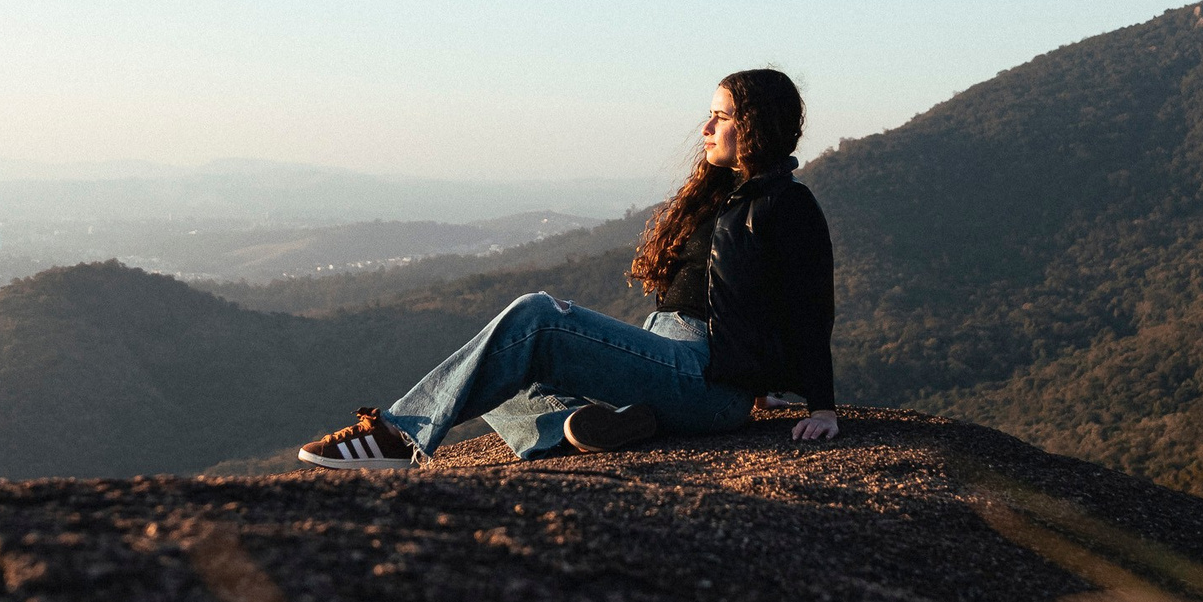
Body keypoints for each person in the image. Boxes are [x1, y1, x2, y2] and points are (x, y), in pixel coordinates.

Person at [296, 68, 838, 468]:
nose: (705, 128)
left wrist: (821, 406)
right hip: (671, 356)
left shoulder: (788, 205)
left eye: (719, 116)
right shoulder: (719, 194)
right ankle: (574, 429)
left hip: (706, 378)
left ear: (755, 125)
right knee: (493, 372)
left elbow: (810, 310)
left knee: (536, 319)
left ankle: (396, 437)